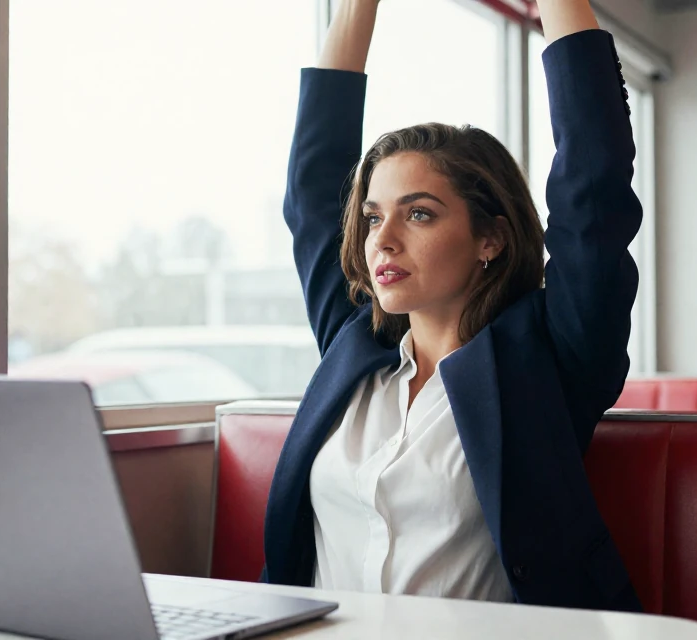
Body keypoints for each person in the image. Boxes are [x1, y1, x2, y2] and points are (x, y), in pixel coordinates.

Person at [262, 0, 643, 613]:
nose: (382, 239)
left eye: (418, 213)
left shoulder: (551, 358)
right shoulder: (354, 343)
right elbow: (312, 193)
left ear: (489, 237)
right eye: (372, 216)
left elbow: (595, 175)